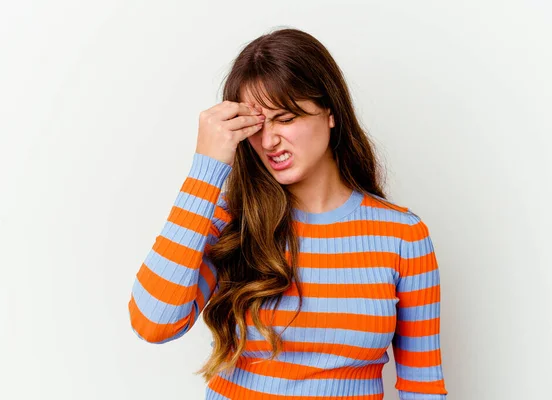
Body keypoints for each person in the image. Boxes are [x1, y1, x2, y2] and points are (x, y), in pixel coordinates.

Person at [128, 27, 449, 399]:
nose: (268, 141)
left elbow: (422, 385)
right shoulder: (232, 220)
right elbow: (153, 323)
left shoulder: (403, 237)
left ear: (330, 112)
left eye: (284, 118)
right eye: (256, 125)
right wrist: (206, 169)